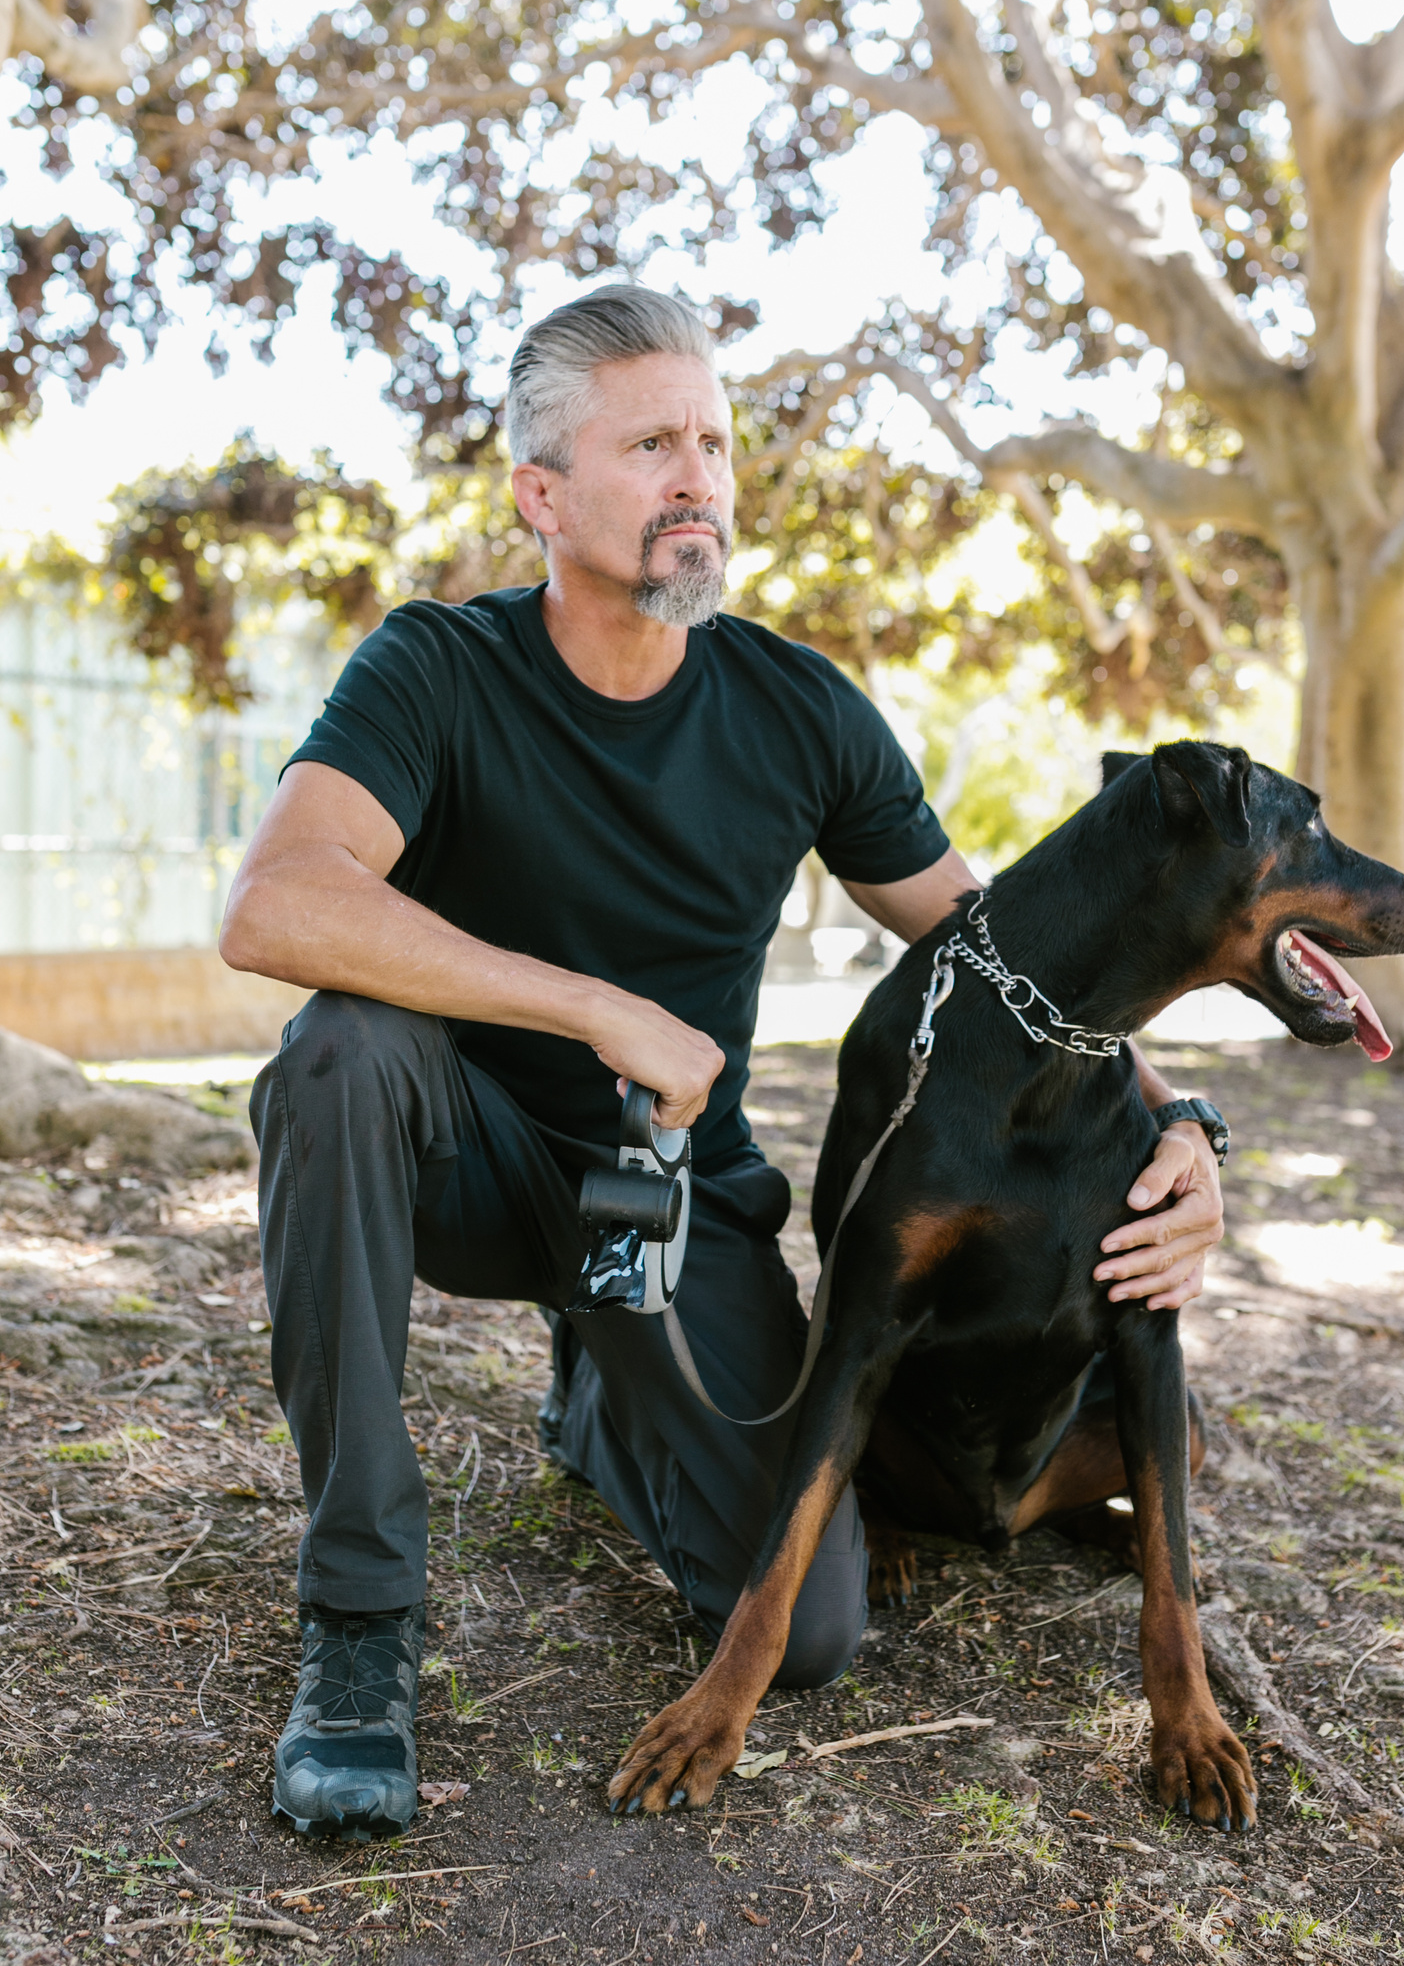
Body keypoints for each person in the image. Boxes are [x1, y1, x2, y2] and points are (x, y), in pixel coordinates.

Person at [220, 284, 1227, 1841]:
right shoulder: (435, 668)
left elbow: (998, 957)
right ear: (541, 496)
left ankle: (600, 1400)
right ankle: (359, 1619)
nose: (698, 474)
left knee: (811, 1631)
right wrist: (592, 1007)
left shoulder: (798, 707)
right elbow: (276, 903)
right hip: (467, 1153)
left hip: (669, 1200)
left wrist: (1186, 1128)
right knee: (337, 1054)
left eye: (714, 439)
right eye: (650, 443)